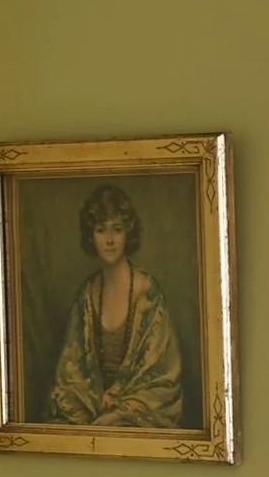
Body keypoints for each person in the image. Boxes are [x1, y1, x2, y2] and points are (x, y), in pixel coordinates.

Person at [46, 183, 185, 429]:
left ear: (127, 234)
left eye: (117, 229)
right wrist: (92, 412)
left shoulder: (148, 294)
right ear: (91, 236)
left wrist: (117, 415)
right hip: (92, 414)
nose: (109, 240)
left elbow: (162, 380)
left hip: (137, 416)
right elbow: (70, 376)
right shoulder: (87, 295)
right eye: (101, 230)